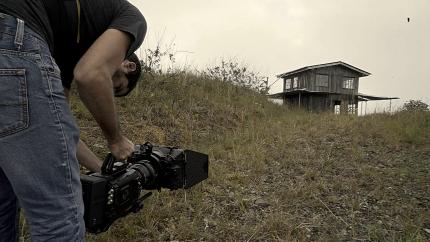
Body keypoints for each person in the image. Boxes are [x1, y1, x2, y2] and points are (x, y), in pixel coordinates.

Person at [0, 0, 147, 241]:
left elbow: (59, 128)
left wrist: (103, 169)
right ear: (128, 64)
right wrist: (116, 140)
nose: (108, 88)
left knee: (2, 203)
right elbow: (90, 74)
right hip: (11, 39)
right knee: (58, 220)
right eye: (115, 86)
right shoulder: (133, 18)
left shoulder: (64, 49)